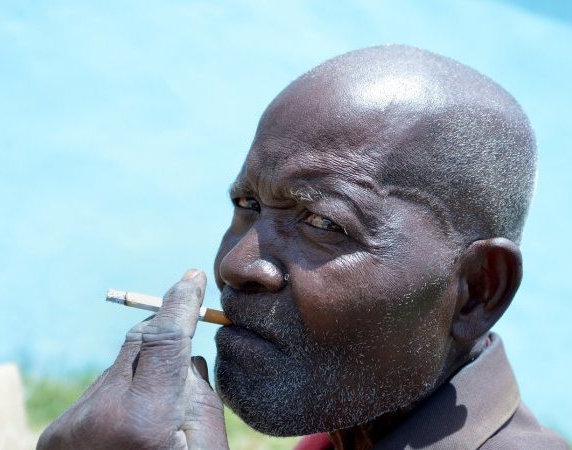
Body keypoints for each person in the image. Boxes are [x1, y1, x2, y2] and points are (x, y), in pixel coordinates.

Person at [37, 46, 568, 449]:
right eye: (247, 203)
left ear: (477, 290)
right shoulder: (346, 427)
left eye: (323, 221)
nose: (236, 265)